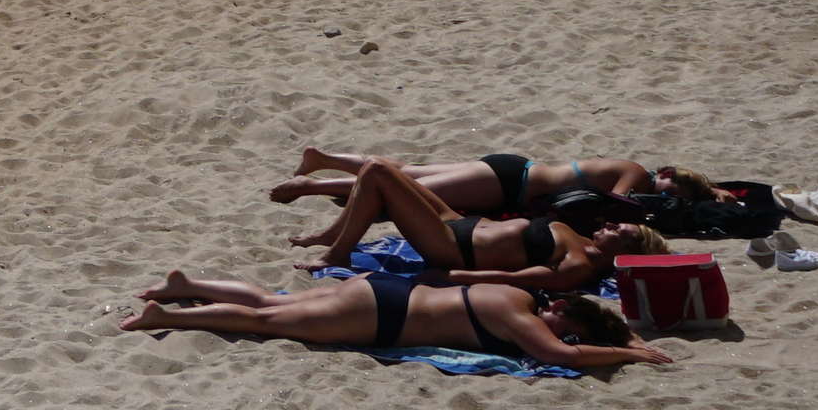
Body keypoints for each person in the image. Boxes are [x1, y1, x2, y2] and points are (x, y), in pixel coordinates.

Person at [114, 272, 672, 373]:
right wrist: (624, 353)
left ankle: (186, 288)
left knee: (272, 301)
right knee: (266, 322)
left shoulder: (515, 292)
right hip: (383, 317)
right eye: (565, 325)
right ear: (563, 313)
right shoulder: (522, 315)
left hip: (385, 293)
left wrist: (624, 336)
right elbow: (560, 357)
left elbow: (572, 340)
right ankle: (170, 317)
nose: (559, 331)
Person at [288, 160, 667, 292]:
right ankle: (332, 238)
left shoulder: (579, 264)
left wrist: (452, 275)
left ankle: (337, 251)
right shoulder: (582, 240)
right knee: (381, 171)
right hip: (459, 224)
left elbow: (522, 280)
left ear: (626, 255)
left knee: (376, 172)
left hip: (453, 246)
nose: (614, 226)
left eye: (622, 233)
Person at [266, 148, 709, 215]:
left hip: (512, 169)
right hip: (510, 183)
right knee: (407, 189)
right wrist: (655, 206)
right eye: (674, 190)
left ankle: (322, 158)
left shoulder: (630, 167)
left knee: (403, 174)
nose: (667, 196)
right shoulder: (637, 172)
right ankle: (310, 187)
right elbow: (619, 200)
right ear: (666, 174)